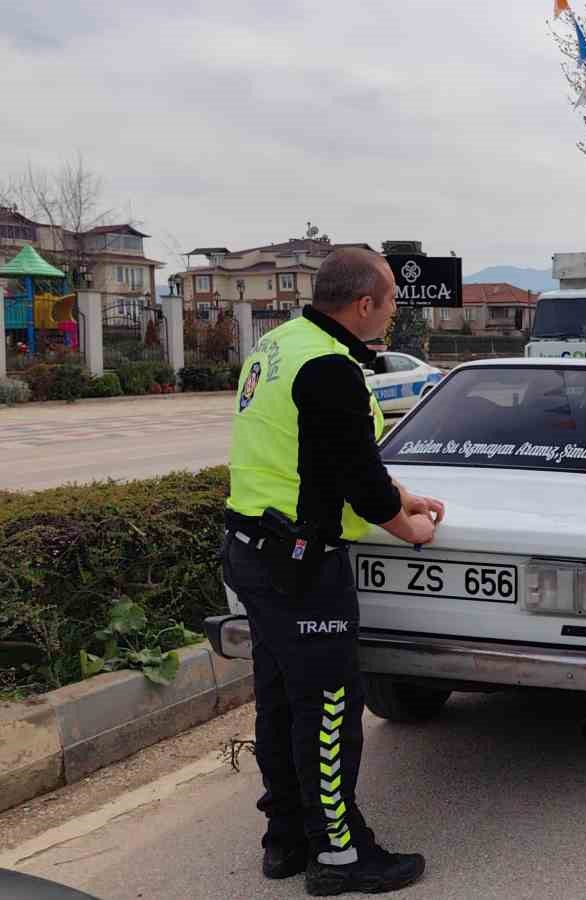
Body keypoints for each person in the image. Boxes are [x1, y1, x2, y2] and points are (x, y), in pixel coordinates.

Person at [222, 248, 443, 895]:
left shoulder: (278, 345)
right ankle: (341, 856)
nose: (396, 314)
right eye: (393, 302)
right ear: (364, 305)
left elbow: (324, 456)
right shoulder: (330, 367)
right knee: (328, 709)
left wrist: (401, 495)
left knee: (282, 699)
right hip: (302, 563)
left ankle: (286, 838)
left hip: (251, 548)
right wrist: (412, 527)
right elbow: (359, 485)